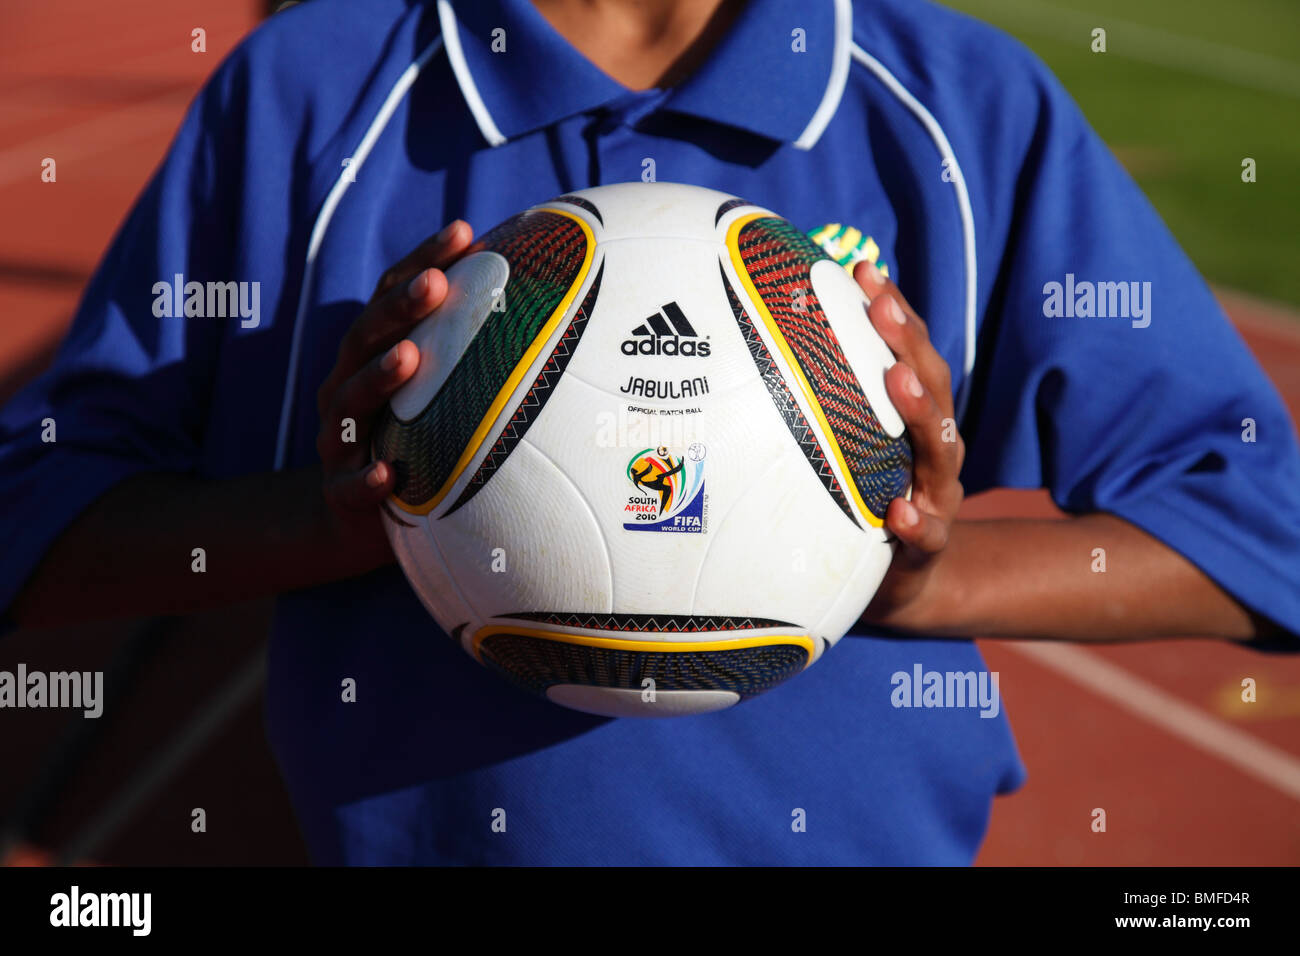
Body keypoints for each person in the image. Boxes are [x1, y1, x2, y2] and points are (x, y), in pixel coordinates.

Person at [2, 0, 1297, 865]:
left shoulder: (955, 102)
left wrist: (909, 576)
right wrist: (341, 516)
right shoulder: (315, 88)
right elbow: (37, 520)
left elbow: (1257, 525)